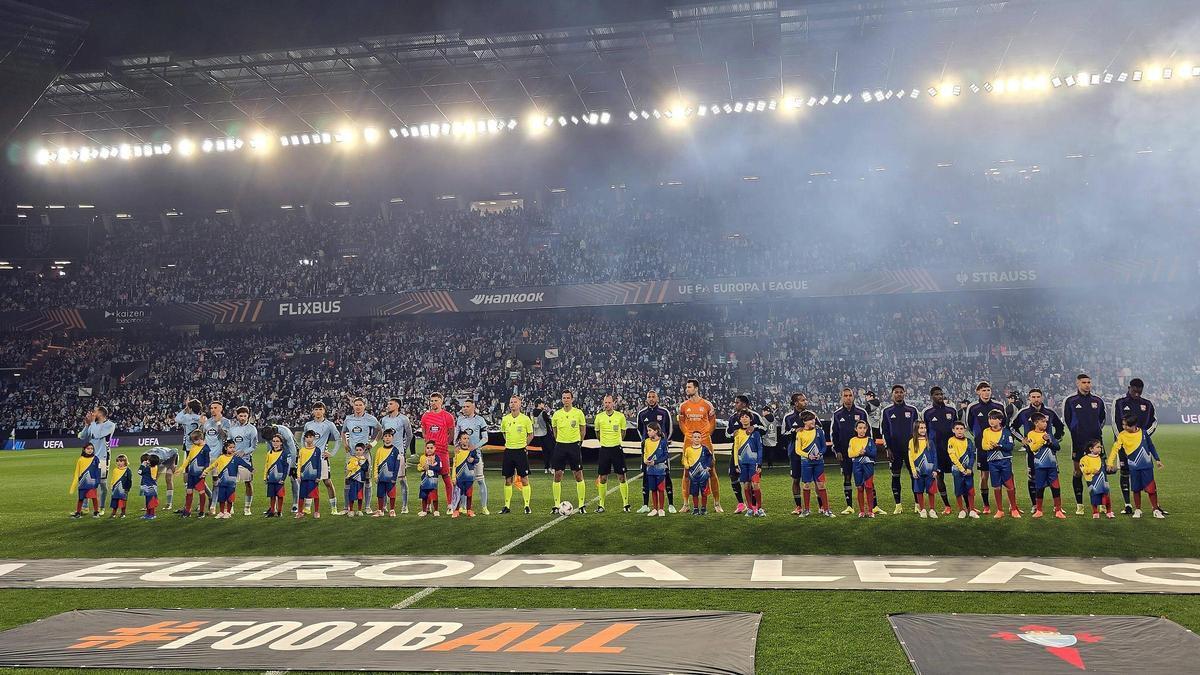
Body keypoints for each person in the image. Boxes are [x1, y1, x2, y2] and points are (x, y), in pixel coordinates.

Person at [1010, 388, 1065, 507]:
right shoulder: (1023, 413)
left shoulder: (1050, 412)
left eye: (1038, 397)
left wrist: (1054, 440)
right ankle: (1035, 505)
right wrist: (1022, 439)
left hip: (1049, 452)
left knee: (1053, 477)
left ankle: (1057, 507)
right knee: (1033, 477)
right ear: (1029, 398)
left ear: (1042, 397)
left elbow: (1060, 427)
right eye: (1033, 397)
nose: (1036, 399)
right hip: (1032, 452)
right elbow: (1012, 427)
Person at [1112, 378, 1160, 515]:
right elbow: (1115, 423)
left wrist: (1143, 437)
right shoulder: (1120, 402)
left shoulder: (1147, 404)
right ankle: (1128, 504)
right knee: (1125, 471)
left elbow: (1154, 422)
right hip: (1124, 446)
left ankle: (1154, 506)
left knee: (1145, 472)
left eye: (1140, 391)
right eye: (1134, 391)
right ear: (1129, 388)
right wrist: (1124, 440)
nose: (1137, 393)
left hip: (1142, 448)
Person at [1064, 373, 1106, 515]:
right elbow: (1068, 421)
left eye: (1089, 382)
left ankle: (1100, 504)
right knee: (1078, 472)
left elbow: (1102, 419)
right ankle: (1079, 505)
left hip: (1095, 442)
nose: (1087, 384)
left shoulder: (1098, 401)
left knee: (1098, 472)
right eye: (1084, 382)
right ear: (1078, 384)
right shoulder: (1070, 400)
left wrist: (1095, 433)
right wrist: (1077, 432)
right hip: (1078, 442)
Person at [1108, 414, 1164, 519]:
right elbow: (1115, 449)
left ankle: (1155, 509)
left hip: (1147, 466)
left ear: (1134, 425)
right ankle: (1138, 509)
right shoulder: (1122, 435)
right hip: (1133, 467)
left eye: (1126, 425)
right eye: (1123, 424)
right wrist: (1110, 463)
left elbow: (1151, 446)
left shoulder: (1143, 433)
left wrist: (1157, 459)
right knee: (1136, 489)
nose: (1124, 427)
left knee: (1151, 489)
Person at [830, 388, 876, 515]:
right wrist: (837, 450)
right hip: (845, 453)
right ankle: (849, 506)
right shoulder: (837, 414)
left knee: (868, 479)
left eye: (850, 395)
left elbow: (869, 431)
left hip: (864, 452)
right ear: (842, 397)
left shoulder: (861, 412)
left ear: (854, 397)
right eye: (845, 395)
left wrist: (869, 448)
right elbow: (833, 434)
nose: (848, 398)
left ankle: (874, 507)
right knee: (847, 477)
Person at [678, 379, 719, 511]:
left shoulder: (707, 405)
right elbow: (681, 421)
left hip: (705, 441)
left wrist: (707, 434)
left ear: (696, 388)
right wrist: (687, 434)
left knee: (711, 470)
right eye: (686, 387)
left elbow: (713, 421)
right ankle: (686, 504)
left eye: (689, 387)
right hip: (689, 441)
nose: (686, 389)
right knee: (686, 471)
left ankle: (717, 503)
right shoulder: (683, 406)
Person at [966, 382, 1005, 513]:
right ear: (978, 392)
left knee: (1005, 474)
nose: (986, 392)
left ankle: (1009, 505)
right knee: (984, 476)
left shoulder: (998, 406)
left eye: (988, 389)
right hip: (982, 448)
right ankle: (986, 505)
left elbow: (1004, 424)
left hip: (999, 447)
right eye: (983, 390)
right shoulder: (973, 407)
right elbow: (970, 425)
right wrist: (979, 438)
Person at [880, 385, 919, 515]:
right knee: (895, 476)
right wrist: (887, 448)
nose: (899, 394)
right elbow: (884, 431)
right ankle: (898, 505)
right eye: (896, 392)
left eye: (901, 392)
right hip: (894, 450)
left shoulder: (912, 410)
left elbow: (918, 430)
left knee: (915, 475)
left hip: (910, 449)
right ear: (892, 395)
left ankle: (917, 504)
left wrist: (917, 447)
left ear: (904, 394)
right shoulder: (886, 411)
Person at [921, 386, 959, 515]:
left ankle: (961, 504)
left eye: (941, 394)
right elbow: (923, 431)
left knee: (957, 474)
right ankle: (947, 505)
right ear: (932, 396)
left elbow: (958, 428)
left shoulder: (952, 411)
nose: (940, 396)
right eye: (937, 394)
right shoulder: (927, 412)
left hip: (951, 449)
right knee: (939, 476)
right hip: (936, 450)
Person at [637, 390, 676, 513]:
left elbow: (669, 429)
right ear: (646, 399)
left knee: (666, 474)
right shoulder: (642, 413)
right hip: (647, 450)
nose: (651, 399)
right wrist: (645, 442)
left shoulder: (664, 412)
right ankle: (645, 505)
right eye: (649, 397)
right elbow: (640, 430)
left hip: (660, 449)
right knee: (646, 475)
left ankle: (671, 504)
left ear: (657, 398)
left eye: (653, 397)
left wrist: (663, 442)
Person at [550, 389, 588, 514]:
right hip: (560, 446)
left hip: (574, 446)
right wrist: (560, 441)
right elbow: (555, 431)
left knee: (578, 475)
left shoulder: (578, 413)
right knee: (557, 475)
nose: (566, 400)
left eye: (568, 398)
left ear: (572, 399)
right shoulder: (556, 414)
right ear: (562, 400)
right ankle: (556, 505)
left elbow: (583, 430)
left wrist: (579, 442)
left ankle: (582, 505)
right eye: (564, 398)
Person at [726, 394, 766, 514]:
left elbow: (764, 429)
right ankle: (741, 504)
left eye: (737, 402)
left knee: (753, 481)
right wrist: (734, 433)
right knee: (733, 476)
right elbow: (727, 434)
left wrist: (754, 427)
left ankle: (755, 506)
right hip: (738, 452)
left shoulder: (755, 416)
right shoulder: (733, 418)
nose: (735, 404)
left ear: (744, 404)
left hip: (752, 453)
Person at [344, 397, 382, 514]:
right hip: (351, 454)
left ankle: (367, 507)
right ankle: (347, 507)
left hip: (364, 454)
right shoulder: (348, 419)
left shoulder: (370, 418)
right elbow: (343, 431)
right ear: (353, 406)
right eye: (356, 405)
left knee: (366, 478)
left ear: (364, 406)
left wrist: (373, 443)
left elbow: (380, 430)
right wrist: (345, 443)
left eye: (360, 405)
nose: (358, 407)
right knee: (348, 479)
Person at [419, 392, 456, 514]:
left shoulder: (448, 416)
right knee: (430, 478)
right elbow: (424, 431)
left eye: (436, 400)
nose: (433, 403)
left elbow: (451, 433)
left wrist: (445, 443)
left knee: (446, 478)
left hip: (442, 452)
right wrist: (428, 443)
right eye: (432, 400)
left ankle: (450, 504)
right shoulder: (425, 416)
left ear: (441, 401)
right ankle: (429, 505)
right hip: (430, 454)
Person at [305, 402, 343, 516]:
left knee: (327, 482)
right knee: (310, 482)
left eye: (320, 409)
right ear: (313, 411)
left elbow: (338, 439)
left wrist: (332, 453)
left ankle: (334, 508)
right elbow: (303, 438)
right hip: (309, 458)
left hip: (322, 458)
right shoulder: (308, 424)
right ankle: (307, 508)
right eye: (316, 409)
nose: (318, 411)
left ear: (324, 411)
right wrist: (304, 452)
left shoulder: (329, 424)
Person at [594, 394, 630, 513]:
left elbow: (623, 433)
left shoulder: (620, 416)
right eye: (605, 403)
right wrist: (605, 442)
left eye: (609, 402)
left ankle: (625, 504)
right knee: (603, 478)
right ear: (603, 403)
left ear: (613, 403)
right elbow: (597, 434)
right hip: (604, 449)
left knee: (621, 477)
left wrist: (616, 441)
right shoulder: (599, 417)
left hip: (617, 449)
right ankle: (601, 504)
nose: (607, 405)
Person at [499, 395, 534, 515]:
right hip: (509, 451)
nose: (512, 404)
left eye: (515, 402)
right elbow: (503, 432)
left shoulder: (525, 419)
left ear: (520, 404)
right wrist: (509, 442)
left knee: (524, 479)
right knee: (508, 479)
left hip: (520, 452)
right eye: (511, 402)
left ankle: (527, 506)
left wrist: (524, 445)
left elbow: (530, 435)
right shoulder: (505, 419)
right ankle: (506, 506)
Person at [982, 410, 1020, 519]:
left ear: (1000, 420)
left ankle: (1013, 509)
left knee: (1009, 485)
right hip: (992, 462)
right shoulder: (986, 431)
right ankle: (1000, 510)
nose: (991, 421)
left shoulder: (1006, 432)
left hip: (1005, 461)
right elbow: (983, 445)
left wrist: (999, 446)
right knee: (996, 486)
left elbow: (1010, 446)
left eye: (994, 419)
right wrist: (989, 447)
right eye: (990, 419)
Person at [201, 440, 253, 519]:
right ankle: (222, 512)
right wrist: (205, 471)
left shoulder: (236, 458)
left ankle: (228, 512)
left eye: (233, 447)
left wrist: (251, 469)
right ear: (226, 448)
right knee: (221, 498)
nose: (232, 449)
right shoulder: (221, 458)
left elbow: (244, 464)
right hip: (221, 482)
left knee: (230, 498)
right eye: (230, 447)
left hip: (231, 484)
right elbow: (213, 465)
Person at [78, 406, 116, 516]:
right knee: (87, 482)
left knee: (102, 484)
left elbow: (98, 434)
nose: (93, 413)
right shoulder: (93, 424)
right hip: (91, 459)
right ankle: (85, 507)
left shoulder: (110, 425)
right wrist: (86, 425)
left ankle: (102, 507)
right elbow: (82, 436)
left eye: (95, 411)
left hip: (103, 458)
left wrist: (92, 423)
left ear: (100, 413)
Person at [1027, 413, 1065, 519]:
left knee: (1056, 487)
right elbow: (1033, 448)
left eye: (1046, 421)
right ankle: (1039, 510)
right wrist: (1043, 440)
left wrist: (1050, 442)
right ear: (1036, 423)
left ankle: (1058, 510)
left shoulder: (1048, 434)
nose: (1045, 423)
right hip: (1040, 466)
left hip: (1052, 466)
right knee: (1039, 488)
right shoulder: (1031, 434)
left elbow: (1057, 447)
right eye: (1043, 421)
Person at [455, 399, 489, 515]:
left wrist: (475, 447)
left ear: (473, 407)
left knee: (480, 480)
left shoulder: (480, 420)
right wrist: (456, 447)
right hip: (463, 456)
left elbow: (485, 438)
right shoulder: (460, 420)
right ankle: (463, 507)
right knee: (463, 481)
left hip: (476, 455)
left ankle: (484, 507)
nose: (464, 408)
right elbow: (456, 436)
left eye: (467, 406)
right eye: (463, 406)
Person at [201, 401, 232, 515]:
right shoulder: (207, 422)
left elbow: (224, 436)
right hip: (206, 456)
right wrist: (201, 424)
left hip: (218, 456)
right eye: (211, 408)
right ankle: (210, 496)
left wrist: (218, 423)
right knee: (199, 478)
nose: (212, 410)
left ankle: (213, 506)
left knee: (216, 482)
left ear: (221, 409)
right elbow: (201, 437)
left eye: (215, 408)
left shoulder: (226, 422)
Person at [733, 411, 765, 517]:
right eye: (742, 417)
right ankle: (750, 509)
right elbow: (736, 450)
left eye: (747, 417)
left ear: (750, 419)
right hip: (743, 464)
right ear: (740, 420)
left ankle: (759, 508)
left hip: (753, 464)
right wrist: (736, 464)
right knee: (746, 486)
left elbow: (760, 448)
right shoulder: (737, 433)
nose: (744, 418)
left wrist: (759, 464)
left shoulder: (755, 433)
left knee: (755, 485)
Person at [228, 406, 259, 516]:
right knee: (231, 484)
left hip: (246, 460)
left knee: (248, 483)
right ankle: (230, 506)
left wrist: (244, 452)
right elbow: (228, 443)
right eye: (240, 415)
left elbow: (254, 446)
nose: (242, 418)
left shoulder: (252, 429)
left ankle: (247, 508)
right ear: (237, 416)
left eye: (245, 416)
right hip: (233, 460)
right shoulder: (232, 429)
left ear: (248, 416)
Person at [947, 421, 979, 518]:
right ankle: (961, 510)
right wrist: (961, 469)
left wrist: (969, 468)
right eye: (957, 429)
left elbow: (972, 455)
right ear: (953, 430)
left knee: (970, 489)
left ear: (964, 430)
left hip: (968, 471)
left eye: (961, 429)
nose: (959, 431)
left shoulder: (969, 441)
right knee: (958, 489)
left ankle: (972, 509)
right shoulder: (951, 440)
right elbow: (952, 456)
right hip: (957, 470)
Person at [908, 420, 939, 519]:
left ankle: (932, 510)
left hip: (930, 471)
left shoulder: (930, 442)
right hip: (918, 471)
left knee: (931, 491)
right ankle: (922, 510)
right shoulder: (911, 442)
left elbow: (935, 456)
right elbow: (911, 458)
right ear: (916, 429)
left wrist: (934, 469)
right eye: (921, 428)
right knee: (919, 491)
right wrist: (913, 470)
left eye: (924, 428)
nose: (923, 430)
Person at [177, 429, 210, 518]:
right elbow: (188, 459)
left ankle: (202, 511)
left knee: (201, 492)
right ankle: (188, 511)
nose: (193, 442)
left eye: (194, 440)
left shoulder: (206, 448)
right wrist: (181, 468)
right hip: (191, 474)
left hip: (199, 475)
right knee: (189, 491)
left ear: (200, 438)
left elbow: (207, 462)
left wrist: (205, 472)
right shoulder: (193, 447)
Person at [847, 420, 877, 518]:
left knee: (869, 487)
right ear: (856, 429)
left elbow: (874, 454)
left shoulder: (870, 440)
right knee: (860, 488)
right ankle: (862, 511)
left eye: (864, 428)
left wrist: (866, 452)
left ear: (867, 429)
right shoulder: (852, 440)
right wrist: (858, 453)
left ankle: (871, 511)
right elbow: (850, 454)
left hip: (868, 465)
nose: (862, 430)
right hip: (857, 465)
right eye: (860, 428)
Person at [1079, 440, 1115, 519]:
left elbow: (1104, 469)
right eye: (1098, 447)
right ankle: (1095, 512)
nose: (1100, 449)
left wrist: (1111, 470)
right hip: (1092, 481)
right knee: (1094, 496)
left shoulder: (1101, 458)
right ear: (1091, 449)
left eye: (1100, 447)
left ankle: (1109, 511)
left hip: (1103, 481)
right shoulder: (1084, 459)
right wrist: (1093, 470)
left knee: (1106, 496)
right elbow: (1083, 469)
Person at [682, 430, 714, 516]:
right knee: (694, 492)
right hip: (693, 474)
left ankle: (703, 508)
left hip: (703, 474)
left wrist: (708, 466)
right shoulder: (688, 449)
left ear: (701, 439)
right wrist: (686, 465)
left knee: (704, 492)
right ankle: (696, 509)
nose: (697, 439)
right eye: (695, 437)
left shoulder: (705, 449)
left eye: (698, 437)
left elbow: (710, 457)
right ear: (691, 439)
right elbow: (685, 458)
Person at [641, 421, 669, 517]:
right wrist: (645, 460)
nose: (648, 432)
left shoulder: (663, 442)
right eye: (647, 430)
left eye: (650, 430)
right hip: (650, 470)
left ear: (656, 431)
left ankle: (661, 509)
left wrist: (655, 462)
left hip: (660, 470)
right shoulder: (647, 442)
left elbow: (666, 456)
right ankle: (654, 509)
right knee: (653, 489)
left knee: (660, 489)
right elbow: (645, 453)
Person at [374, 430, 404, 517]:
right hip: (381, 477)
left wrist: (394, 477)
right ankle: (380, 510)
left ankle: (392, 510)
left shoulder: (395, 450)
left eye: (389, 436)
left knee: (392, 494)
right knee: (380, 494)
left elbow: (397, 465)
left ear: (392, 438)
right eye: (386, 436)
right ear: (383, 438)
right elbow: (376, 463)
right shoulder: (379, 450)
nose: (387, 438)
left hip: (391, 478)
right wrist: (376, 475)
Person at [263, 432, 293, 518]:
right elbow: (266, 465)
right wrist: (265, 477)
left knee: (280, 495)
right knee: (272, 496)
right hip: (271, 478)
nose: (275, 443)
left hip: (279, 479)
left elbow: (286, 467)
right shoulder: (269, 453)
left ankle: (279, 511)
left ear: (281, 443)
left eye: (277, 441)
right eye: (273, 441)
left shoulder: (284, 453)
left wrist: (283, 478)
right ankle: (272, 511)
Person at [295, 429, 324, 519]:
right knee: (301, 495)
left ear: (314, 438)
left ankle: (316, 512)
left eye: (310, 437)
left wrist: (319, 476)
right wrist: (298, 475)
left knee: (315, 495)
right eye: (307, 437)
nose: (309, 439)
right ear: (305, 439)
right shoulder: (302, 450)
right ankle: (300, 512)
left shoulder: (317, 450)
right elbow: (299, 463)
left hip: (313, 477)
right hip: (304, 477)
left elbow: (319, 464)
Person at [69, 442, 102, 518]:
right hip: (82, 483)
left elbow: (98, 470)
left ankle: (96, 512)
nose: (90, 450)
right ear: (84, 449)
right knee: (81, 498)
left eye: (91, 448)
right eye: (88, 448)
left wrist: (97, 480)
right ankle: (78, 512)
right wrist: (73, 486)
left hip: (92, 483)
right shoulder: (80, 459)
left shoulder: (96, 459)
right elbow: (77, 472)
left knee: (94, 497)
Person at [451, 432, 480, 518]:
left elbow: (477, 459)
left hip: (469, 477)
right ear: (459, 440)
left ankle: (469, 510)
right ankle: (456, 510)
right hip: (459, 477)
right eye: (464, 438)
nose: (467, 440)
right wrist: (453, 477)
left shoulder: (472, 450)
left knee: (469, 494)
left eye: (468, 438)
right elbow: (454, 465)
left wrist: (473, 460)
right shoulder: (457, 451)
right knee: (458, 494)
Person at [145, 446, 178, 511]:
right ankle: (150, 502)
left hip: (170, 459)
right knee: (152, 480)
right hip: (158, 459)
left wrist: (173, 464)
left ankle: (169, 504)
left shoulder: (166, 455)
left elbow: (175, 450)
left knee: (168, 479)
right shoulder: (145, 456)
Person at [417, 441, 442, 517]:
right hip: (424, 480)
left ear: (435, 448)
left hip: (433, 480)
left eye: (431, 448)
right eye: (428, 448)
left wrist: (430, 467)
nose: (429, 450)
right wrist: (421, 468)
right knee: (424, 496)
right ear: (425, 448)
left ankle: (436, 510)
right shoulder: (422, 457)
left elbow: (439, 468)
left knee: (434, 496)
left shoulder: (437, 458)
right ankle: (424, 511)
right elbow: (419, 466)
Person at [532, 399, 554, 474]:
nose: (543, 405)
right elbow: (549, 421)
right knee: (551, 451)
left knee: (545, 452)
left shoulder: (533, 413)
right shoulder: (543, 413)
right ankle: (552, 467)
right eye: (542, 404)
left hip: (538, 434)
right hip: (546, 433)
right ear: (539, 404)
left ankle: (546, 468)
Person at [137, 453, 160, 520]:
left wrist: (142, 465)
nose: (147, 461)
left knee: (150, 501)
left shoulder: (147, 468)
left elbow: (139, 472)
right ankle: (148, 514)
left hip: (148, 486)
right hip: (151, 486)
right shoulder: (155, 467)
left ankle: (151, 514)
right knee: (149, 500)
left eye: (148, 460)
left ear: (150, 462)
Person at [108, 454, 132, 518]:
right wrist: (111, 485)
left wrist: (127, 488)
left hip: (124, 489)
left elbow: (129, 480)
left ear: (125, 462)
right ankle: (113, 513)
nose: (119, 463)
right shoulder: (115, 470)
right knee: (114, 501)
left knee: (123, 501)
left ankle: (123, 513)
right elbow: (113, 478)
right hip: (115, 488)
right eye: (118, 461)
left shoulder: (127, 471)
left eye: (121, 461)